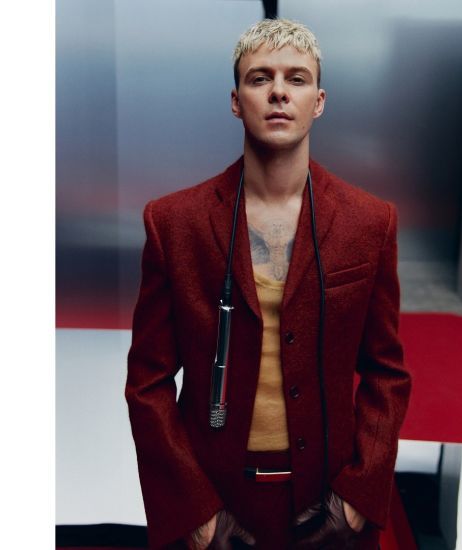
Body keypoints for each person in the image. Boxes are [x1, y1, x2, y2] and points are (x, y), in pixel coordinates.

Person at [125, 18, 411, 550]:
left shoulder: (370, 223)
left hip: (330, 501)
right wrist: (196, 515)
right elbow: (147, 384)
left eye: (296, 78)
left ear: (318, 102)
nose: (279, 91)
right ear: (236, 101)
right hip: (215, 499)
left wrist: (356, 500)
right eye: (260, 78)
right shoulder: (174, 223)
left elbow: (387, 374)